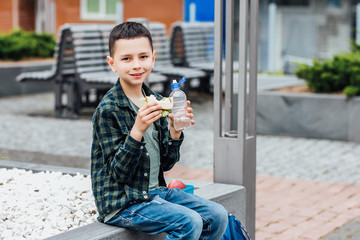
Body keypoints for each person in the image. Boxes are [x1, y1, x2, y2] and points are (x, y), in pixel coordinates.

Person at [91, 21, 228, 239]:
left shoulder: (155, 101)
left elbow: (166, 164)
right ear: (112, 63)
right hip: (123, 202)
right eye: (126, 58)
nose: (136, 65)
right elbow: (119, 174)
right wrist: (137, 131)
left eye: (143, 57)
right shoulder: (108, 110)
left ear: (153, 58)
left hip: (154, 192)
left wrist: (175, 132)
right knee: (189, 222)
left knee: (218, 215)